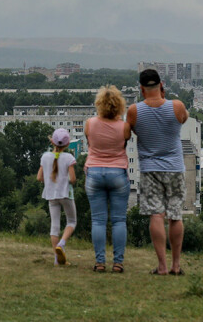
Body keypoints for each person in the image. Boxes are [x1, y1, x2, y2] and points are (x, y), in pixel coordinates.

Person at [126, 69, 189, 276]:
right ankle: (176, 265)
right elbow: (184, 119)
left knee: (156, 214)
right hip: (175, 168)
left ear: (141, 88)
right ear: (161, 85)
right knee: (175, 215)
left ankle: (161, 266)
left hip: (150, 169)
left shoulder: (134, 111)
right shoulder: (177, 106)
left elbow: (131, 131)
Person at [84, 85, 131, 273]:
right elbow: (124, 143)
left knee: (98, 221)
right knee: (119, 220)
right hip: (118, 173)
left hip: (94, 173)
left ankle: (100, 262)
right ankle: (118, 263)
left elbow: (90, 142)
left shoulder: (90, 124)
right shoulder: (124, 127)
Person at [37, 128, 77, 266]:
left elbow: (39, 177)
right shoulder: (69, 158)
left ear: (52, 141)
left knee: (55, 226)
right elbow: (72, 179)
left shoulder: (45, 157)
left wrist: (50, 181)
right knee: (71, 221)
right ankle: (62, 243)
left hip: (51, 195)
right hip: (66, 194)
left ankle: (56, 259)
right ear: (67, 144)